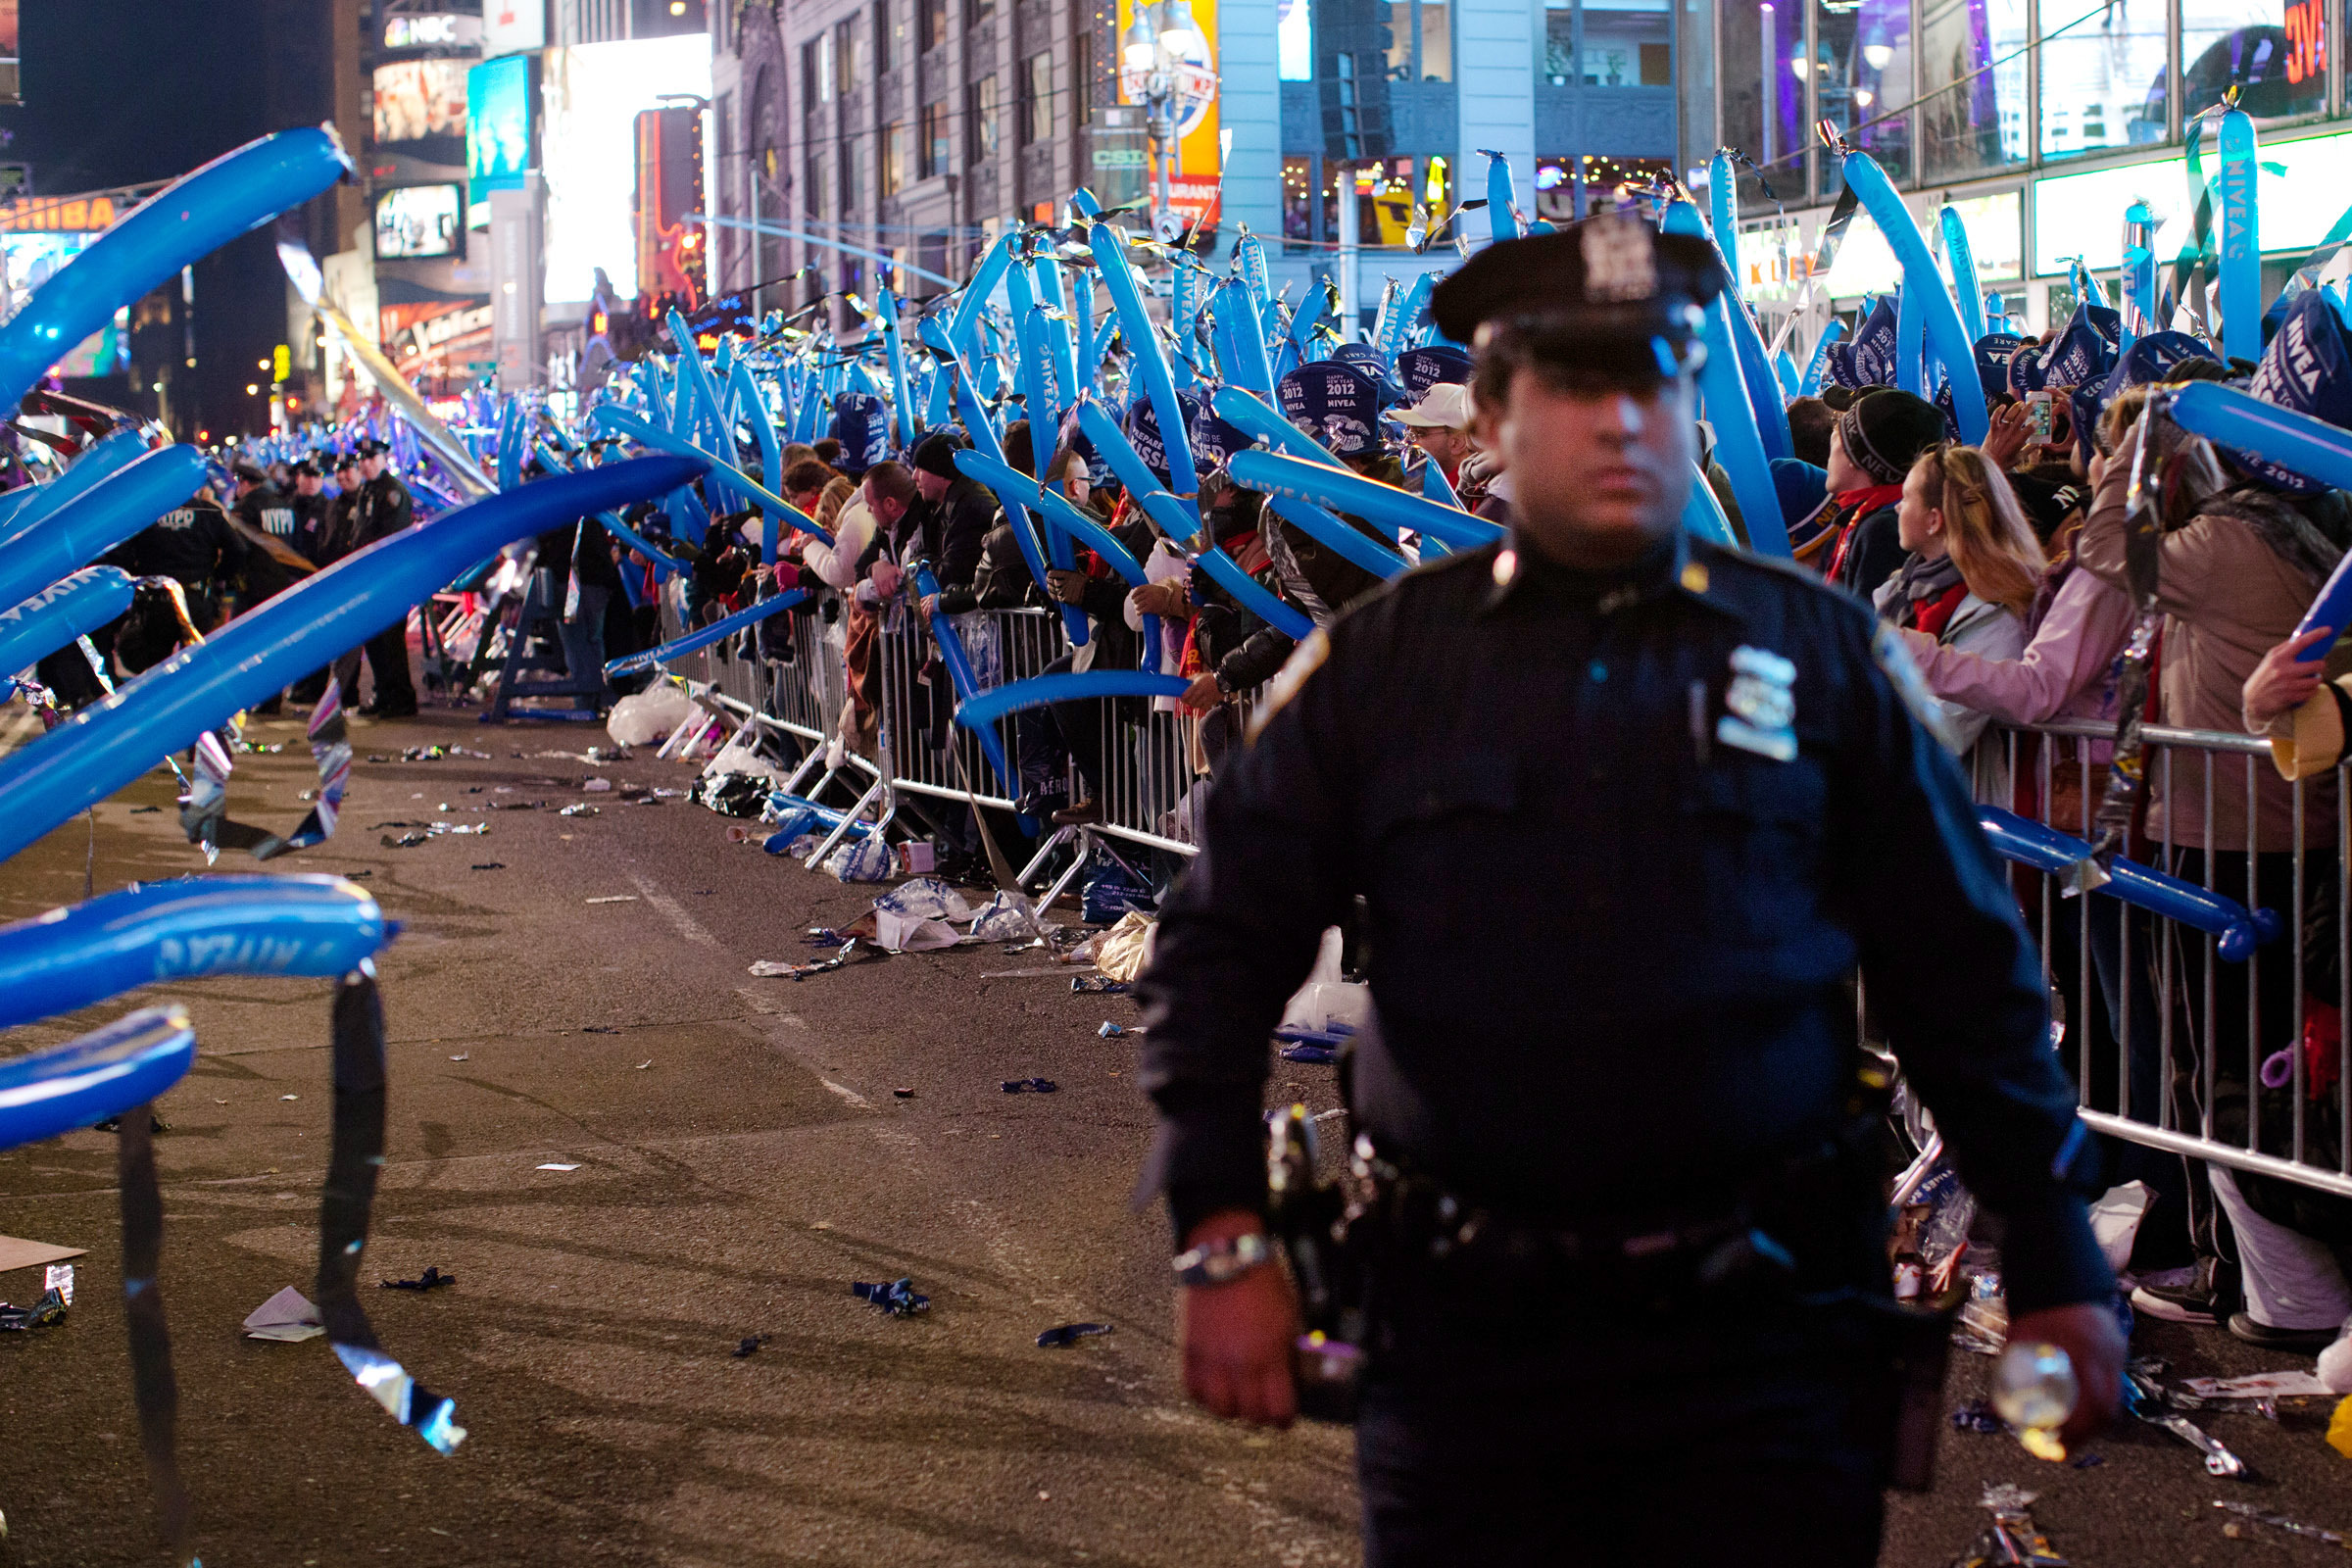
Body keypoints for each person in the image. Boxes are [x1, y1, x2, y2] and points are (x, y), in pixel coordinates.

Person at [1134, 213, 2120, 1567]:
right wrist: (1220, 1231)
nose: (1623, 423)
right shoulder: (1383, 669)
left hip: (1761, 1349)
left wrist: (2058, 1256)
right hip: (1470, 1344)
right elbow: (1219, 946)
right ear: (1492, 417)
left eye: (1655, 381)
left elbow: (1966, 973)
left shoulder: (1820, 656)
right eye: (1575, 387)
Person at [1872, 444, 2044, 753]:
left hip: (1965, 794)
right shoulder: (1898, 591)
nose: (1898, 507)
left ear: (1933, 520)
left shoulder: (1996, 610)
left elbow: (1948, 729)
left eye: (1907, 497)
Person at [1788, 387, 1948, 600]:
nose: (1831, 441)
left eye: (1838, 430)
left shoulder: (1882, 533)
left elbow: (1865, 629)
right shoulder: (1855, 520)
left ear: (1856, 455)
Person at [336, 439, 419, 717]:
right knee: (375, 641)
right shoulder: (368, 490)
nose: (366, 463)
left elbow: (388, 538)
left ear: (384, 460)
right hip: (368, 579)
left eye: (372, 458)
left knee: (391, 642)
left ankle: (401, 699)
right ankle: (384, 695)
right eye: (363, 458)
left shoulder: (392, 492)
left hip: (388, 578)